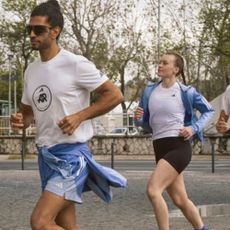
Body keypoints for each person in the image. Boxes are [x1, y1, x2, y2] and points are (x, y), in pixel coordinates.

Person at [10, 1, 127, 229]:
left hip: (72, 158)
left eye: (39, 30)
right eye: (29, 30)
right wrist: (19, 122)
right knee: (65, 225)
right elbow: (27, 114)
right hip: (47, 157)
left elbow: (114, 95)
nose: (32, 34)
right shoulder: (31, 71)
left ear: (55, 31)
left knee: (41, 222)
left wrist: (80, 116)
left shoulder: (75, 64)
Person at [134, 51, 214, 230]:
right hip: (159, 146)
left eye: (165, 63)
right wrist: (137, 118)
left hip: (178, 146)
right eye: (159, 62)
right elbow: (144, 123)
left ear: (176, 69)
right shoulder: (149, 91)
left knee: (153, 190)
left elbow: (209, 111)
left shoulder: (186, 92)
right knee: (180, 200)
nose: (160, 65)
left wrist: (193, 128)